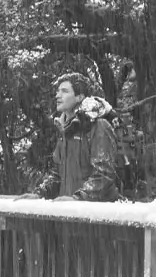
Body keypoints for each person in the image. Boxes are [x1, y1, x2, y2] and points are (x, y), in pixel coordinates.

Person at [38, 73, 120, 201]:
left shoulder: (99, 127)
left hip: (95, 216)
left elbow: (104, 176)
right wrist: (39, 194)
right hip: (67, 214)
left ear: (79, 97)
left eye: (64, 91)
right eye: (58, 91)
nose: (57, 95)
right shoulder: (63, 131)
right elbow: (57, 176)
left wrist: (77, 200)